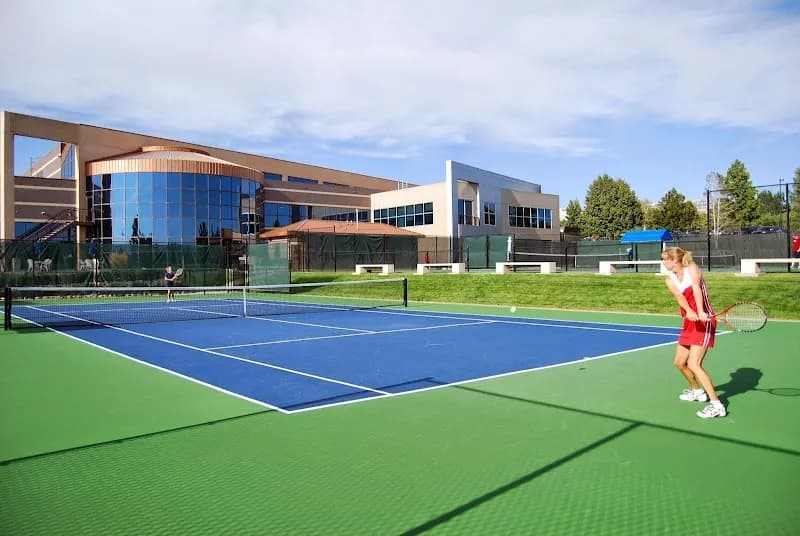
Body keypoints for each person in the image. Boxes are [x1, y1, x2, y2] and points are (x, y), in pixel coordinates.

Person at [660, 247, 726, 419]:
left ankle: (717, 405)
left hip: (704, 322)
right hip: (689, 322)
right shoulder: (670, 279)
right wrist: (689, 311)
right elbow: (680, 298)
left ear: (675, 260)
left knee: (694, 364)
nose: (663, 262)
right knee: (679, 362)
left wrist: (701, 312)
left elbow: (697, 289)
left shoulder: (692, 268)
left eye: (666, 259)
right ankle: (697, 391)